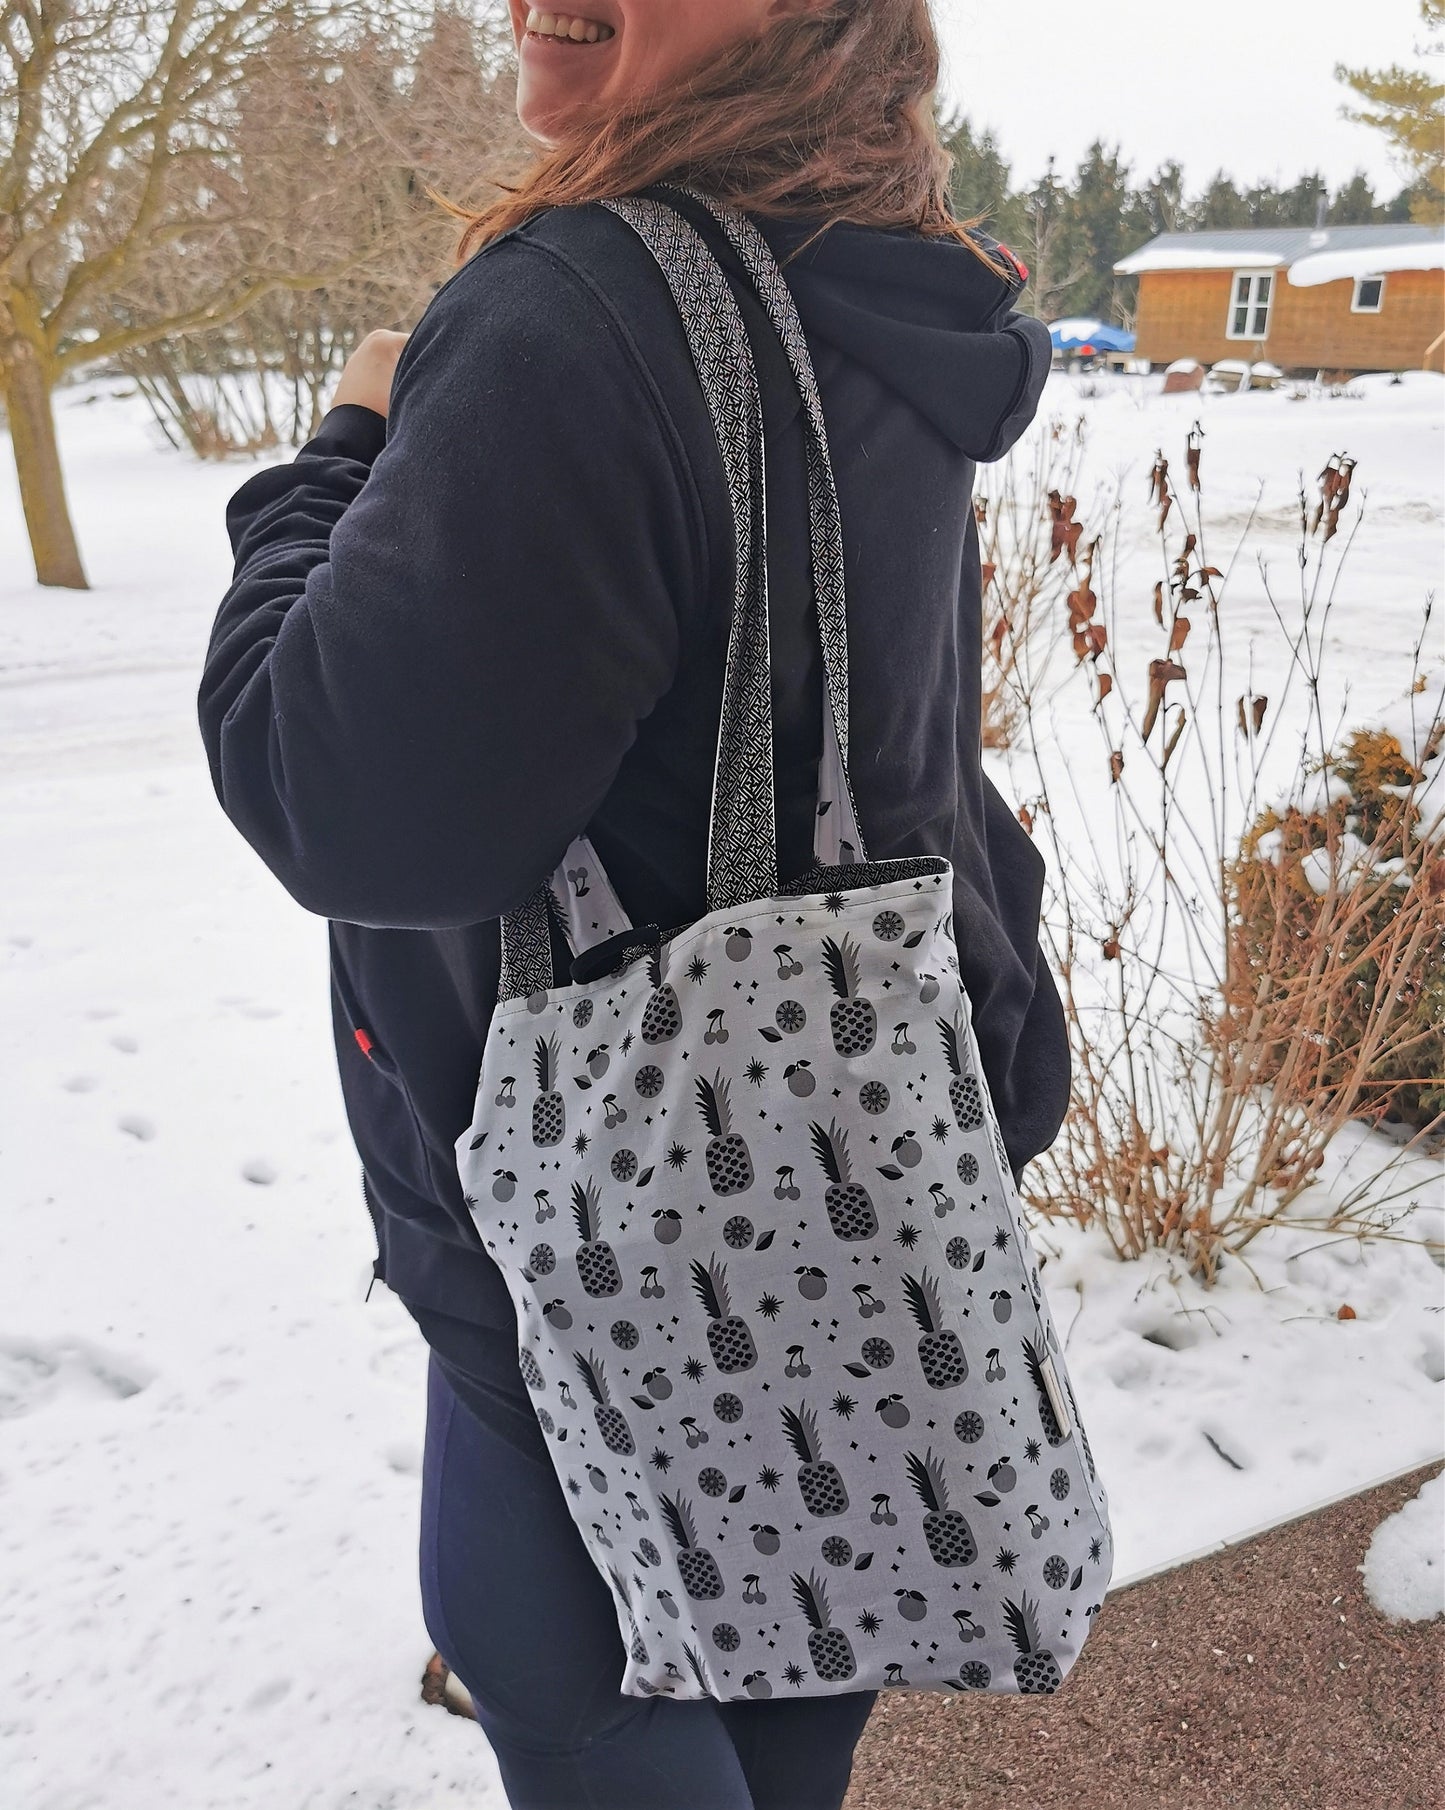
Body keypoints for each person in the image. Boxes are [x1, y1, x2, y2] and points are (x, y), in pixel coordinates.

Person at [198, 2, 1064, 1805]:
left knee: (562, 1661)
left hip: (611, 1233)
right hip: (853, 1182)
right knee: (796, 1679)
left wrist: (330, 464)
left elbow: (338, 802)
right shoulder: (880, 278)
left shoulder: (576, 308)